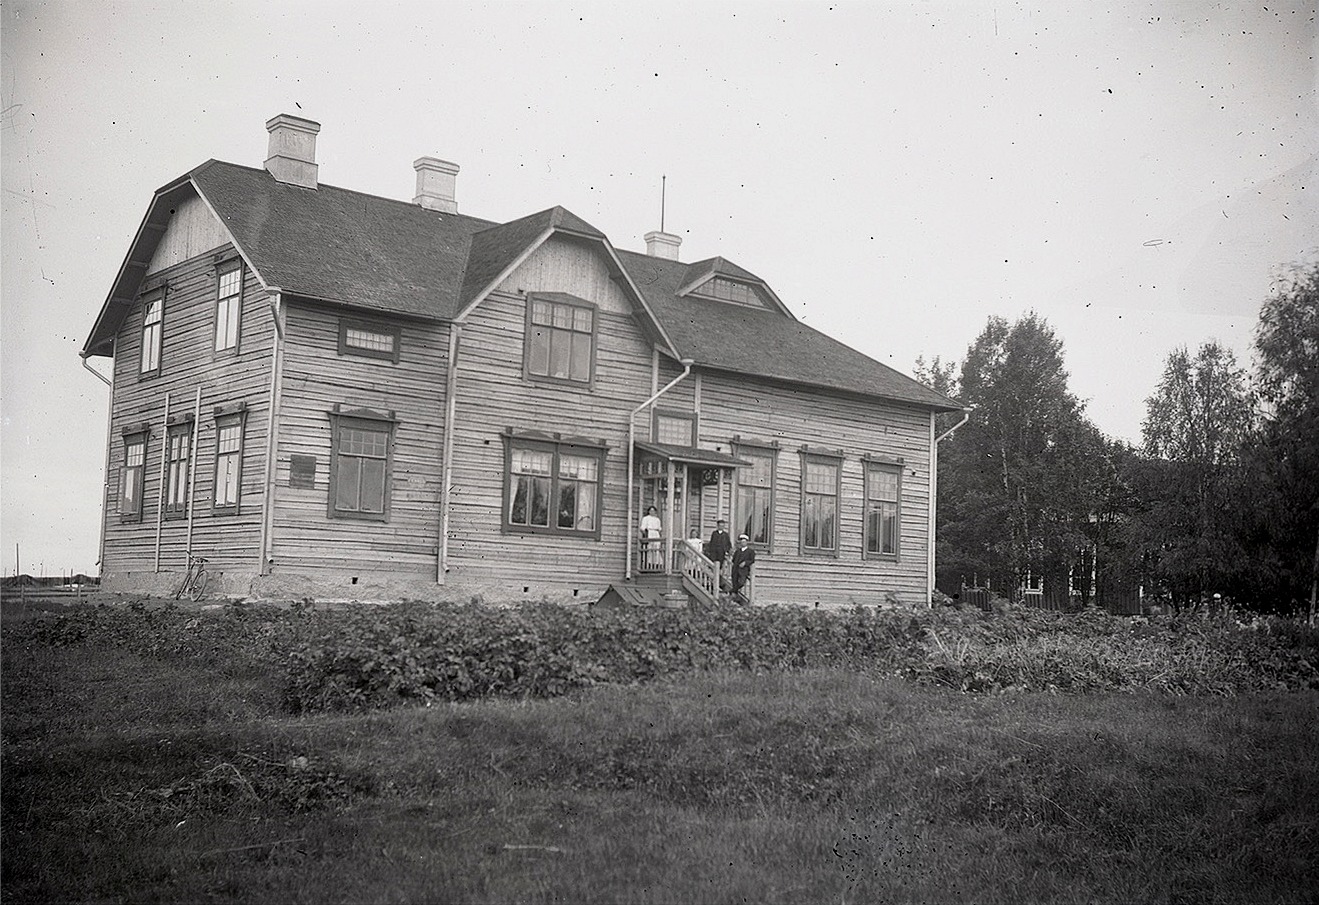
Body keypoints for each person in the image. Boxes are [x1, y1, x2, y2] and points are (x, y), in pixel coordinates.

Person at [707, 518, 732, 588]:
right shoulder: (714, 534)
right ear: (717, 526)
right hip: (714, 553)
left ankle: (719, 582)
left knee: (720, 569)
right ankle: (714, 581)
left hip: (721, 553)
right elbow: (711, 543)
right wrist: (710, 552)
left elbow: (728, 544)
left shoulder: (725, 535)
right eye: (720, 526)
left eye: (723, 526)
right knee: (713, 567)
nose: (721, 527)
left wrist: (728, 551)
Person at [731, 533, 756, 602]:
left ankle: (733, 591)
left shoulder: (750, 551)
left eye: (744, 542)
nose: (743, 543)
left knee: (742, 582)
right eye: (741, 542)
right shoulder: (737, 551)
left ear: (747, 542)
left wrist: (745, 563)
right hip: (735, 569)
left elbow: (752, 560)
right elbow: (733, 560)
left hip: (744, 570)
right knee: (734, 582)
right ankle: (734, 594)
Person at [640, 505, 662, 569]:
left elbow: (659, 528)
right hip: (650, 533)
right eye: (651, 511)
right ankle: (649, 564)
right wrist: (645, 534)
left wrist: (659, 533)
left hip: (656, 533)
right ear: (649, 511)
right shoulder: (646, 518)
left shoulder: (657, 519)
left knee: (657, 548)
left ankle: (657, 564)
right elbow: (642, 528)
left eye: (653, 511)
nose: (652, 512)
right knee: (650, 548)